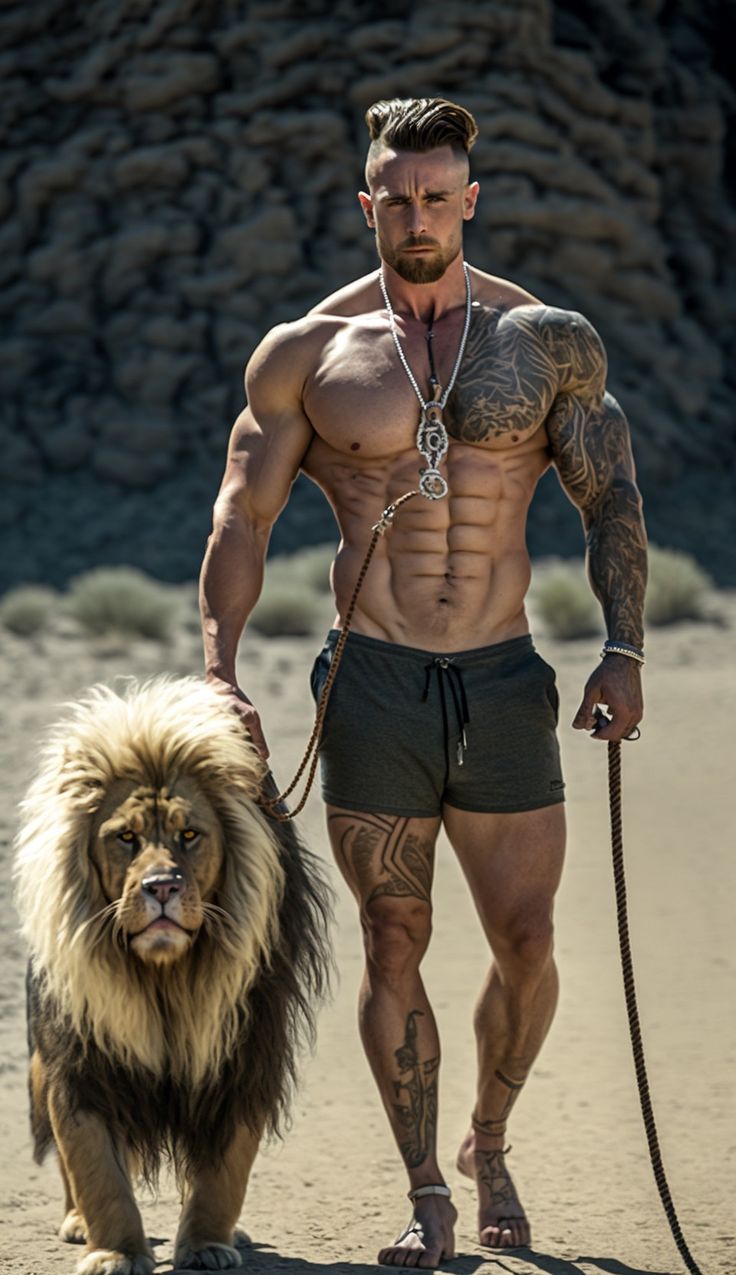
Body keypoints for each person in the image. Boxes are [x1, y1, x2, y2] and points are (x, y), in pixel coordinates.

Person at [199, 96, 647, 1267]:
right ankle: (425, 1193)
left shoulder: (546, 341)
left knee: (528, 938)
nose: (415, 216)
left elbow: (611, 501)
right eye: (394, 199)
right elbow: (242, 512)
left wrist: (625, 646)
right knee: (392, 933)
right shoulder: (309, 354)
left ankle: (488, 1141)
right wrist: (220, 672)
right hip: (376, 678)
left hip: (500, 680)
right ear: (367, 205)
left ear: (469, 199)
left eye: (436, 196)